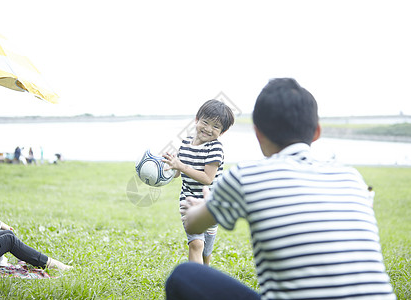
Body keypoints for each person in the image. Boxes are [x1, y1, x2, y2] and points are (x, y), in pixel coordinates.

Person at [166, 78, 396, 299]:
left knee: (184, 275)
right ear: (316, 132)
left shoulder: (246, 176)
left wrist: (204, 205)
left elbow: (193, 223)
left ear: (258, 133)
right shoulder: (352, 178)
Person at [0, 170, 72, 275]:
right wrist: (5, 227)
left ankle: (14, 257)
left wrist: (1, 233)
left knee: (6, 235)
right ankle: (51, 264)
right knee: (9, 239)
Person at [163, 99, 235, 265]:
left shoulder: (215, 148)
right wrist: (169, 168)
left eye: (216, 127)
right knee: (196, 244)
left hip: (211, 202)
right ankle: (194, 285)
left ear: (222, 132)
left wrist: (181, 165)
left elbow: (207, 178)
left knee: (206, 251)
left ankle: (205, 277)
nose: (208, 129)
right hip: (188, 200)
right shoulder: (186, 143)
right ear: (197, 119)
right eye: (205, 122)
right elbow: (178, 173)